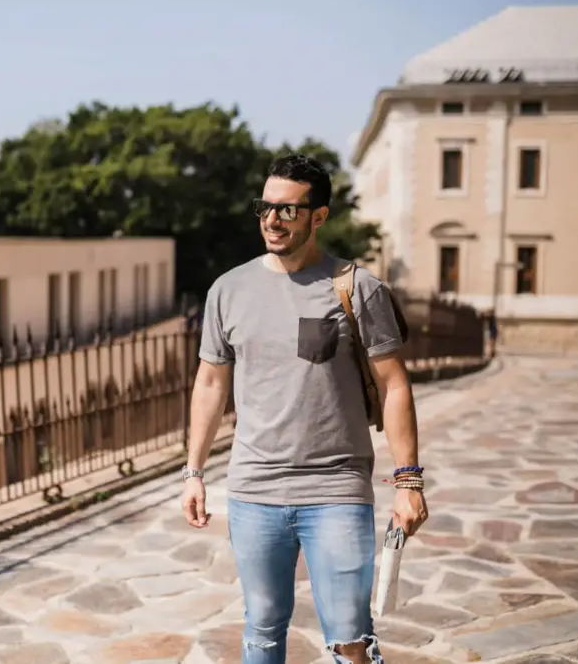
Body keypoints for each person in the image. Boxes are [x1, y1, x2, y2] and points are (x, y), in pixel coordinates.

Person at [181, 154, 428, 664]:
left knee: (350, 639)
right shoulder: (228, 290)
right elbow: (209, 382)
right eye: (264, 208)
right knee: (263, 630)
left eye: (288, 211)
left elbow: (394, 385)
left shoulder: (357, 287)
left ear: (319, 216)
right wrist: (193, 472)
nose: (272, 221)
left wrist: (409, 482)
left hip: (336, 489)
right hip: (254, 491)